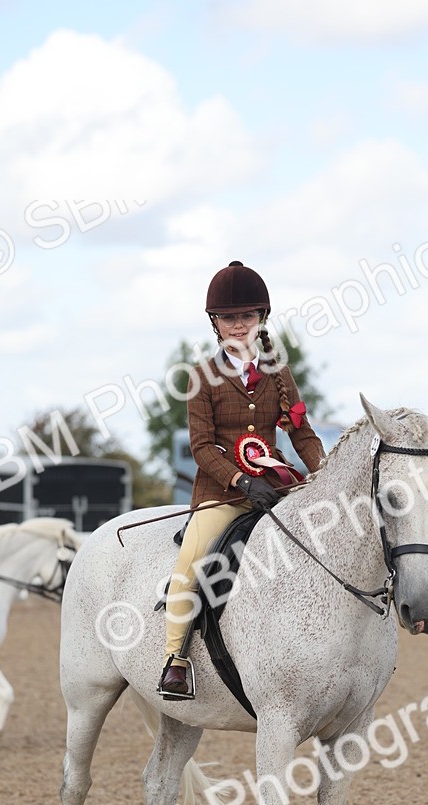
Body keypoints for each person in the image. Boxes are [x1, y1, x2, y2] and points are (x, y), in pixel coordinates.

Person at [160, 260, 326, 697]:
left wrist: (323, 475)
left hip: (275, 489)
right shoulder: (201, 378)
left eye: (247, 317)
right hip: (222, 494)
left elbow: (301, 433)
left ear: (261, 319)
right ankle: (174, 659)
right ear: (216, 323)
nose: (239, 325)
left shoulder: (280, 375)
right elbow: (201, 447)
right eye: (230, 318)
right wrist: (240, 481)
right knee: (191, 560)